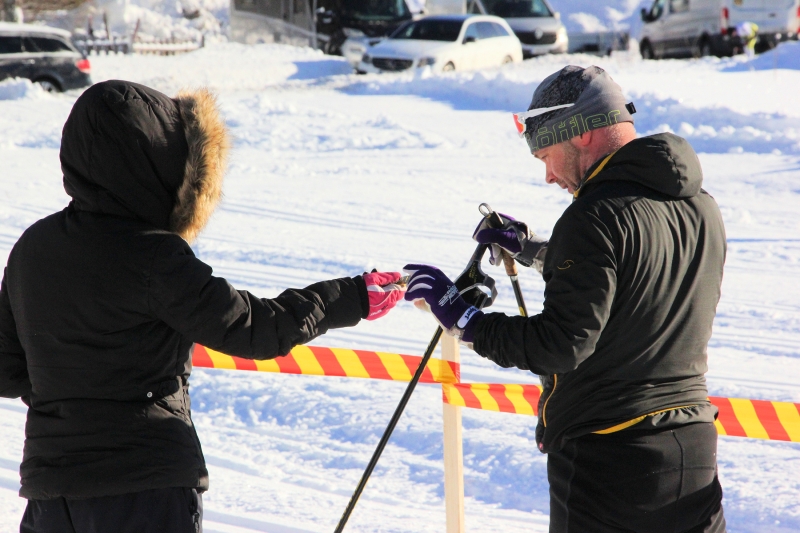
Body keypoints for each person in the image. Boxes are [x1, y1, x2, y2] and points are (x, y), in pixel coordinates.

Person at [0, 80, 405, 533]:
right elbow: (255, 329)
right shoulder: (153, 255)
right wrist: (352, 296)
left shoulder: (31, 248)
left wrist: (68, 395)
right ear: (156, 161)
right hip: (146, 491)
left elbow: (8, 371)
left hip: (50, 496)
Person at [403, 66, 727, 532]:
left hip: (609, 460)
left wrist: (464, 318)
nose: (550, 176)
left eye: (546, 155)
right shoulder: (700, 206)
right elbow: (634, 278)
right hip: (694, 451)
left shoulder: (591, 216)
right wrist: (535, 250)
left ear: (581, 134)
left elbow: (560, 344)